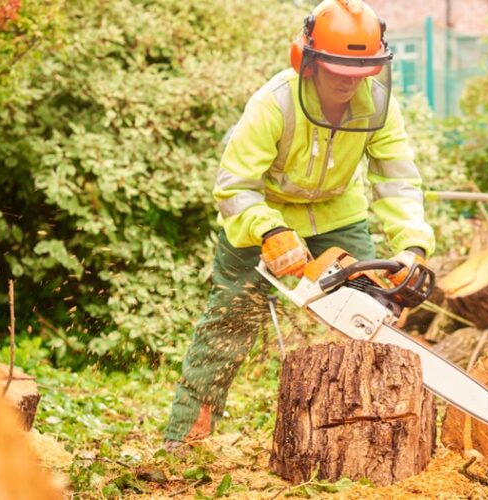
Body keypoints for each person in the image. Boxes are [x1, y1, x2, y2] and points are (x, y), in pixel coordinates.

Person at [163, 0, 435, 447]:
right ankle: (185, 437)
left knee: (371, 317)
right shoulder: (274, 104)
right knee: (228, 322)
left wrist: (411, 247)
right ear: (308, 61)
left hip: (337, 216)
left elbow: (397, 182)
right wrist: (268, 230)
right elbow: (234, 186)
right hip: (261, 218)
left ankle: (370, 438)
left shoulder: (379, 107)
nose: (351, 80)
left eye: (362, 69)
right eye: (339, 69)